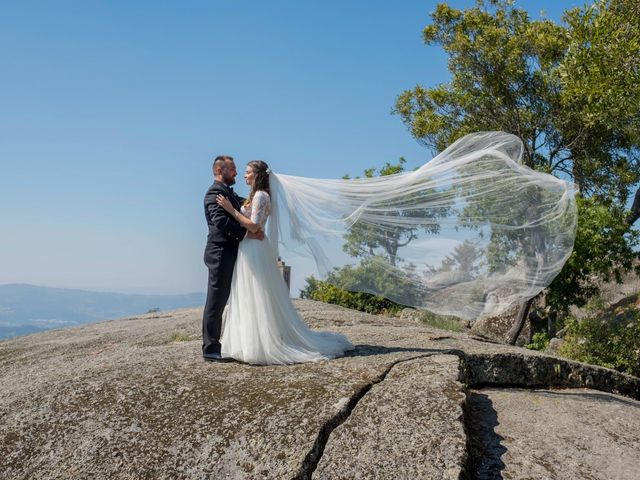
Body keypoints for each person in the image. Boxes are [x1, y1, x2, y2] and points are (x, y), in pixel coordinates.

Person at [215, 160, 354, 364]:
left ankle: (263, 344)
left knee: (258, 293)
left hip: (255, 248)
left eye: (247, 172)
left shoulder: (262, 196)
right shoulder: (254, 195)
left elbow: (254, 226)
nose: (244, 175)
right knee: (247, 293)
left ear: (257, 175)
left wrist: (230, 209)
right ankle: (248, 342)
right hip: (247, 247)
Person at [202, 155, 264, 363]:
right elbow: (220, 221)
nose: (236, 172)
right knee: (216, 300)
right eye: (233, 169)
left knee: (229, 298)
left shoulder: (228, 193)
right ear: (220, 171)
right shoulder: (214, 193)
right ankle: (211, 348)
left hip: (231, 252)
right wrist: (247, 233)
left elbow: (246, 205)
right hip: (219, 252)